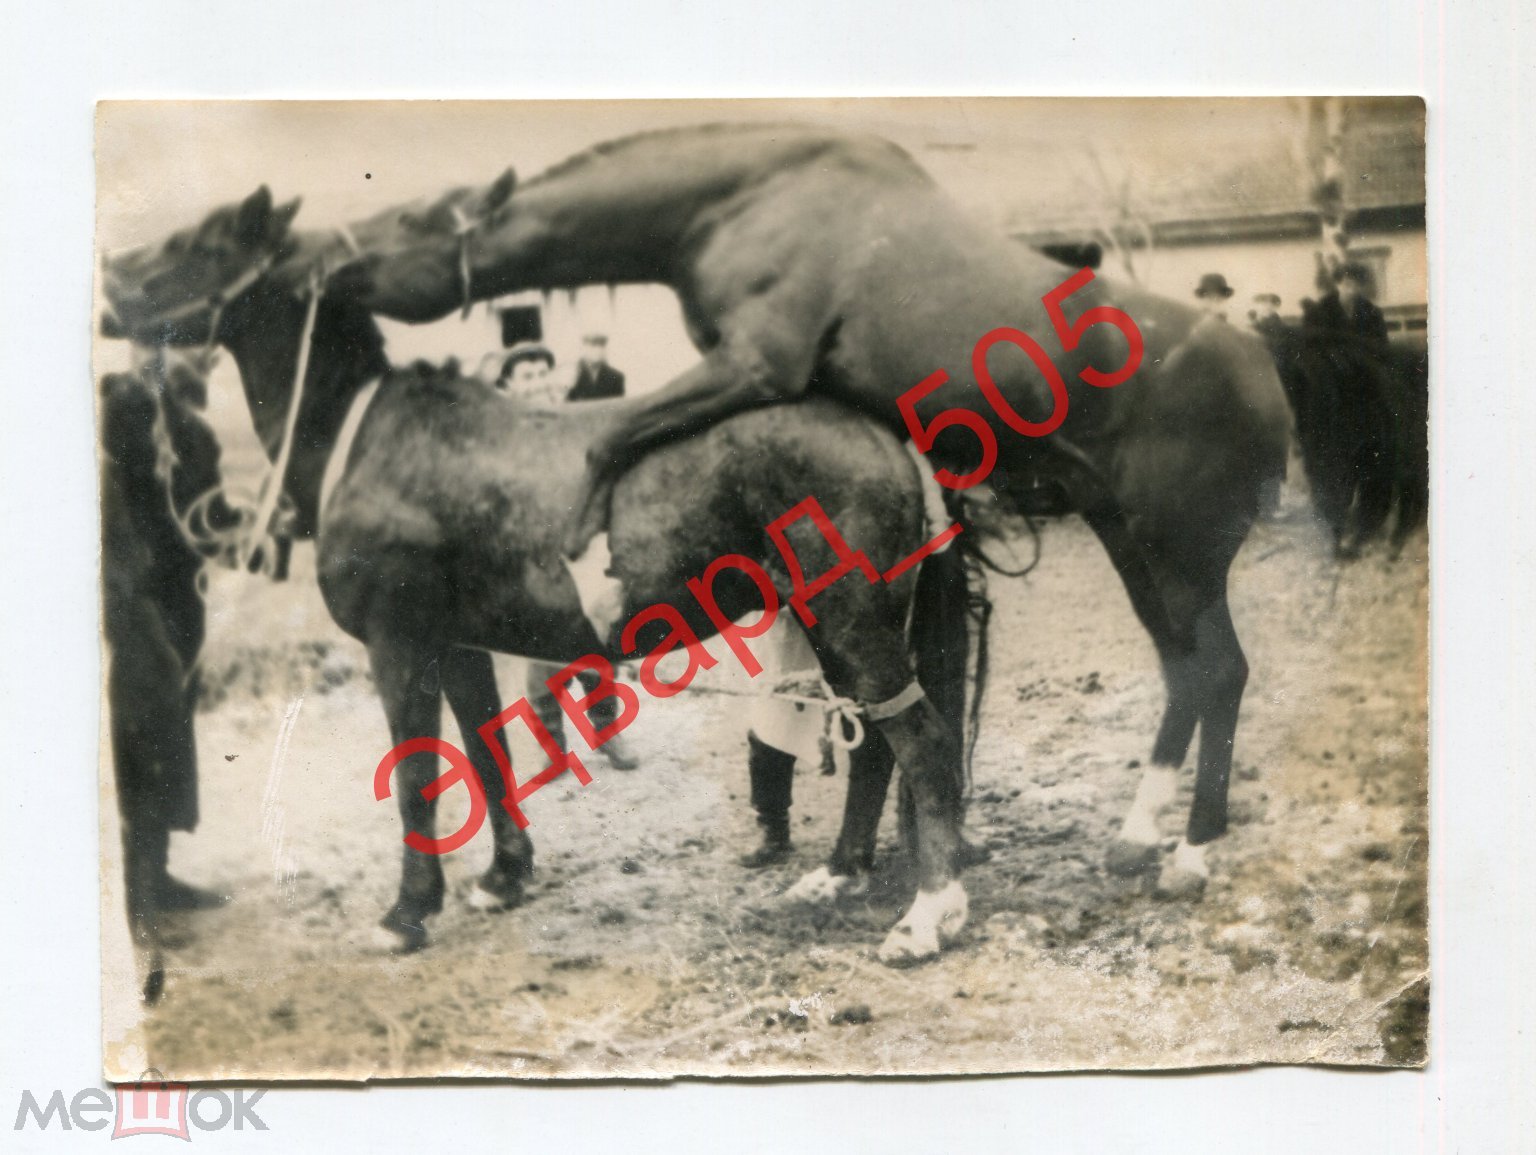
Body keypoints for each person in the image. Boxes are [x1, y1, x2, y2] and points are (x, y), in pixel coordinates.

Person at [498, 340, 640, 769]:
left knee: (596, 639)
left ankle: (607, 732)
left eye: (544, 372)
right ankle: (551, 747)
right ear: (509, 386)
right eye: (527, 376)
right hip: (534, 555)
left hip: (582, 544)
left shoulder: (574, 422)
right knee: (542, 652)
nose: (539, 383)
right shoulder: (506, 435)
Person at [1306, 261, 1390, 352]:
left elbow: (1382, 346)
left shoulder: (1372, 312)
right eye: (1347, 284)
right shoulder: (1319, 311)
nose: (1352, 291)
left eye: (1358, 285)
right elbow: (1312, 347)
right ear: (1337, 284)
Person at [566, 332, 626, 401]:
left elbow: (619, 407)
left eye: (601, 345)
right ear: (583, 348)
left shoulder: (616, 377)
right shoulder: (570, 373)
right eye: (593, 345)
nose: (598, 350)